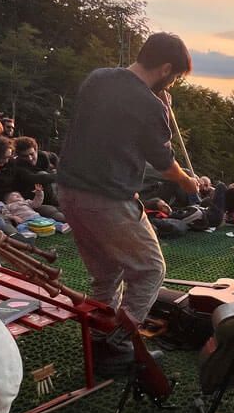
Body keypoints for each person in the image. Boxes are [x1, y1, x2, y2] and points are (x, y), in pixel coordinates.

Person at [56, 31, 199, 375]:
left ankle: (98, 338)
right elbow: (164, 165)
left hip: (68, 190)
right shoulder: (150, 104)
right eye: (176, 77)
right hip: (107, 198)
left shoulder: (97, 78)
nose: (173, 83)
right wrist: (187, 181)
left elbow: (113, 135)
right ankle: (117, 343)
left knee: (106, 273)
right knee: (151, 270)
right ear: (166, 69)